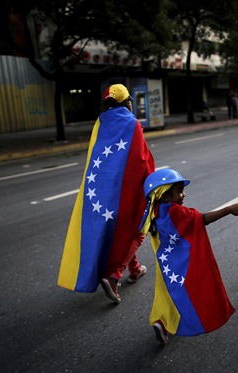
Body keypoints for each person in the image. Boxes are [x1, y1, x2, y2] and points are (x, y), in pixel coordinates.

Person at [58, 83, 155, 304]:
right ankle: (114, 276)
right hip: (127, 191)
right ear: (126, 102)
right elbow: (141, 160)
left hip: (102, 193)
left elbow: (95, 159)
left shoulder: (100, 123)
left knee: (121, 232)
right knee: (138, 229)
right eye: (129, 100)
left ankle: (135, 268)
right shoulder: (132, 123)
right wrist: (152, 184)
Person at [139, 168, 238, 345]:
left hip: (165, 262)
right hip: (182, 263)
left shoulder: (154, 210)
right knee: (184, 293)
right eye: (179, 192)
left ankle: (161, 321)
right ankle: (174, 322)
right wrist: (228, 209)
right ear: (165, 196)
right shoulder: (175, 212)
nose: (183, 195)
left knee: (166, 291)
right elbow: (202, 219)